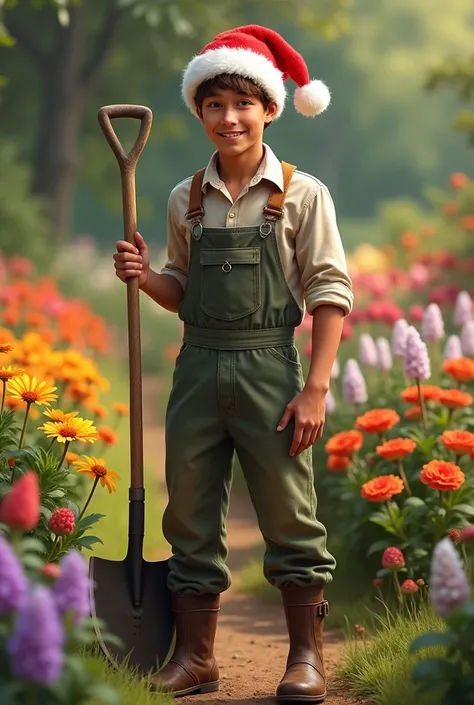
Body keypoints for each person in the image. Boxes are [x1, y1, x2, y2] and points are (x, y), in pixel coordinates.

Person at [113, 24, 353, 703]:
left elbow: (330, 292)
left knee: (288, 511)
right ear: (200, 113)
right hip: (197, 369)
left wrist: (316, 387)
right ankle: (196, 657)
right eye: (214, 104)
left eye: (243, 104)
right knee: (187, 510)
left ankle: (306, 655)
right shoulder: (185, 199)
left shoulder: (302, 195)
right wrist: (143, 275)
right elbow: (181, 290)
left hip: (271, 369)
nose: (229, 117)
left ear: (271, 109)